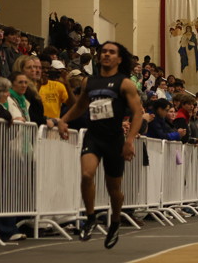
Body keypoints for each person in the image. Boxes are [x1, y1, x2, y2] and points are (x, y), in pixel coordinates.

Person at [57, 42, 144, 249]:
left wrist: (129, 140)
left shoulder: (125, 83)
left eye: (111, 52)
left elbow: (138, 113)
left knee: (114, 189)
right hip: (93, 137)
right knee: (87, 175)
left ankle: (115, 222)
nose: (106, 55)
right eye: (104, 51)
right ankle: (90, 218)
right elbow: (80, 106)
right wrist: (63, 120)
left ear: (119, 59)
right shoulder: (89, 81)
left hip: (114, 139)